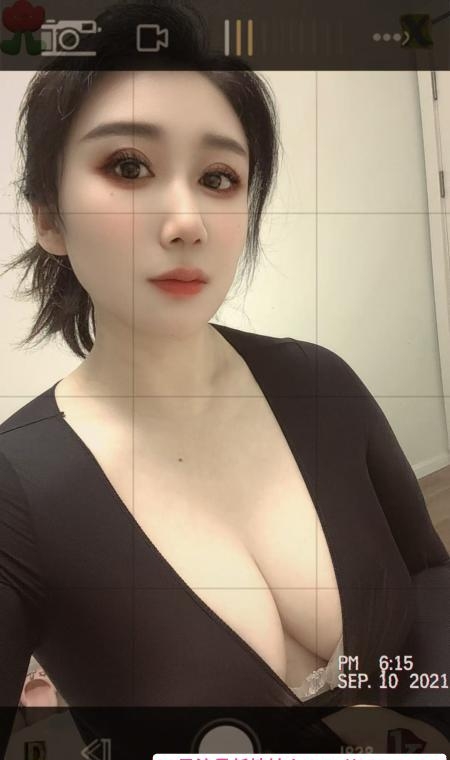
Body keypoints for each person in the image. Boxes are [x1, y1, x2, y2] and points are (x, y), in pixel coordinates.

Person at [0, 0, 449, 755]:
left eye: (218, 177)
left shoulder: (319, 382)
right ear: (48, 216)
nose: (188, 223)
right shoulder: (17, 487)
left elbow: (430, 571)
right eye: (129, 166)